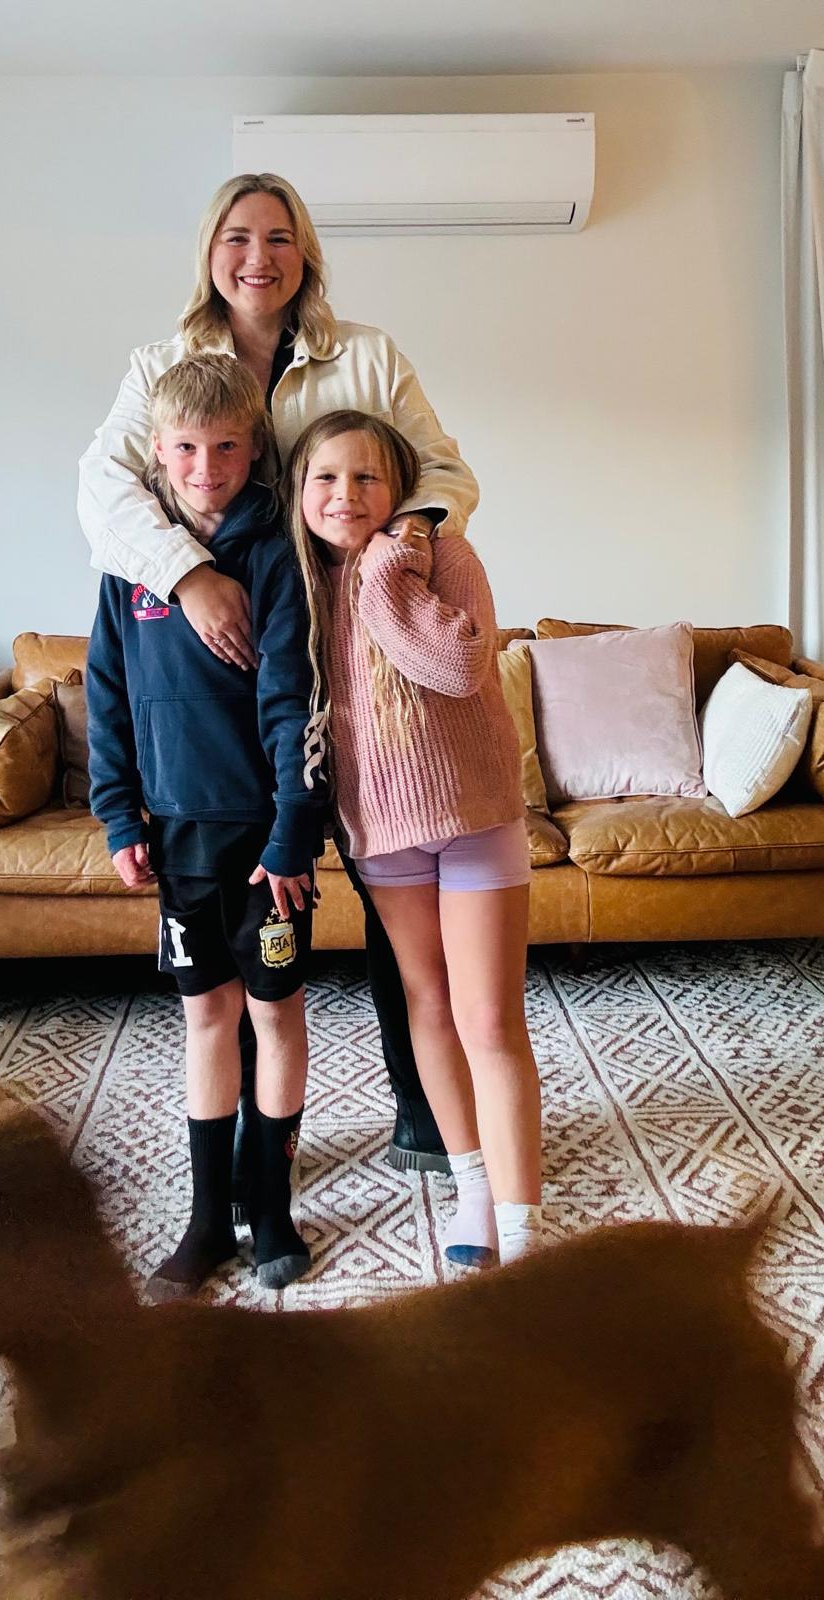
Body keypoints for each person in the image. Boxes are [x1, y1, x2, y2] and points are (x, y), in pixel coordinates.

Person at [78, 171, 478, 1171]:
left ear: (305, 253)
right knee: (250, 944)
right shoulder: (160, 366)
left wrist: (396, 546)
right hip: (235, 662)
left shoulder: (367, 357)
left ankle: (423, 1110)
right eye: (237, 236)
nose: (257, 257)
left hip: (361, 649)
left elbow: (440, 471)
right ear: (209, 252)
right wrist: (190, 578)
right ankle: (257, 1153)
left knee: (392, 888)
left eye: (279, 237)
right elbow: (101, 491)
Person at [85, 355, 326, 1300]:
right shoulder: (130, 564)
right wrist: (118, 816)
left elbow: (293, 699)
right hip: (177, 835)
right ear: (156, 450)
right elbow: (105, 696)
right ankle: (206, 1219)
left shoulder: (275, 552)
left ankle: (270, 1205)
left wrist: (293, 829)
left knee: (274, 1012)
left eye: (226, 448)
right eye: (186, 448)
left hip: (266, 841)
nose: (205, 468)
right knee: (206, 1016)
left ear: (254, 449)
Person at [286, 409, 542, 1266]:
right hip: (380, 828)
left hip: (474, 818)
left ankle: (522, 1232)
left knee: (488, 1021)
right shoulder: (297, 578)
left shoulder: (442, 557)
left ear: (400, 490)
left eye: (366, 477)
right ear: (298, 490)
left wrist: (386, 567)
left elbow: (458, 667)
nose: (345, 494)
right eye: (325, 477)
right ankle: (472, 1188)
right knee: (427, 1005)